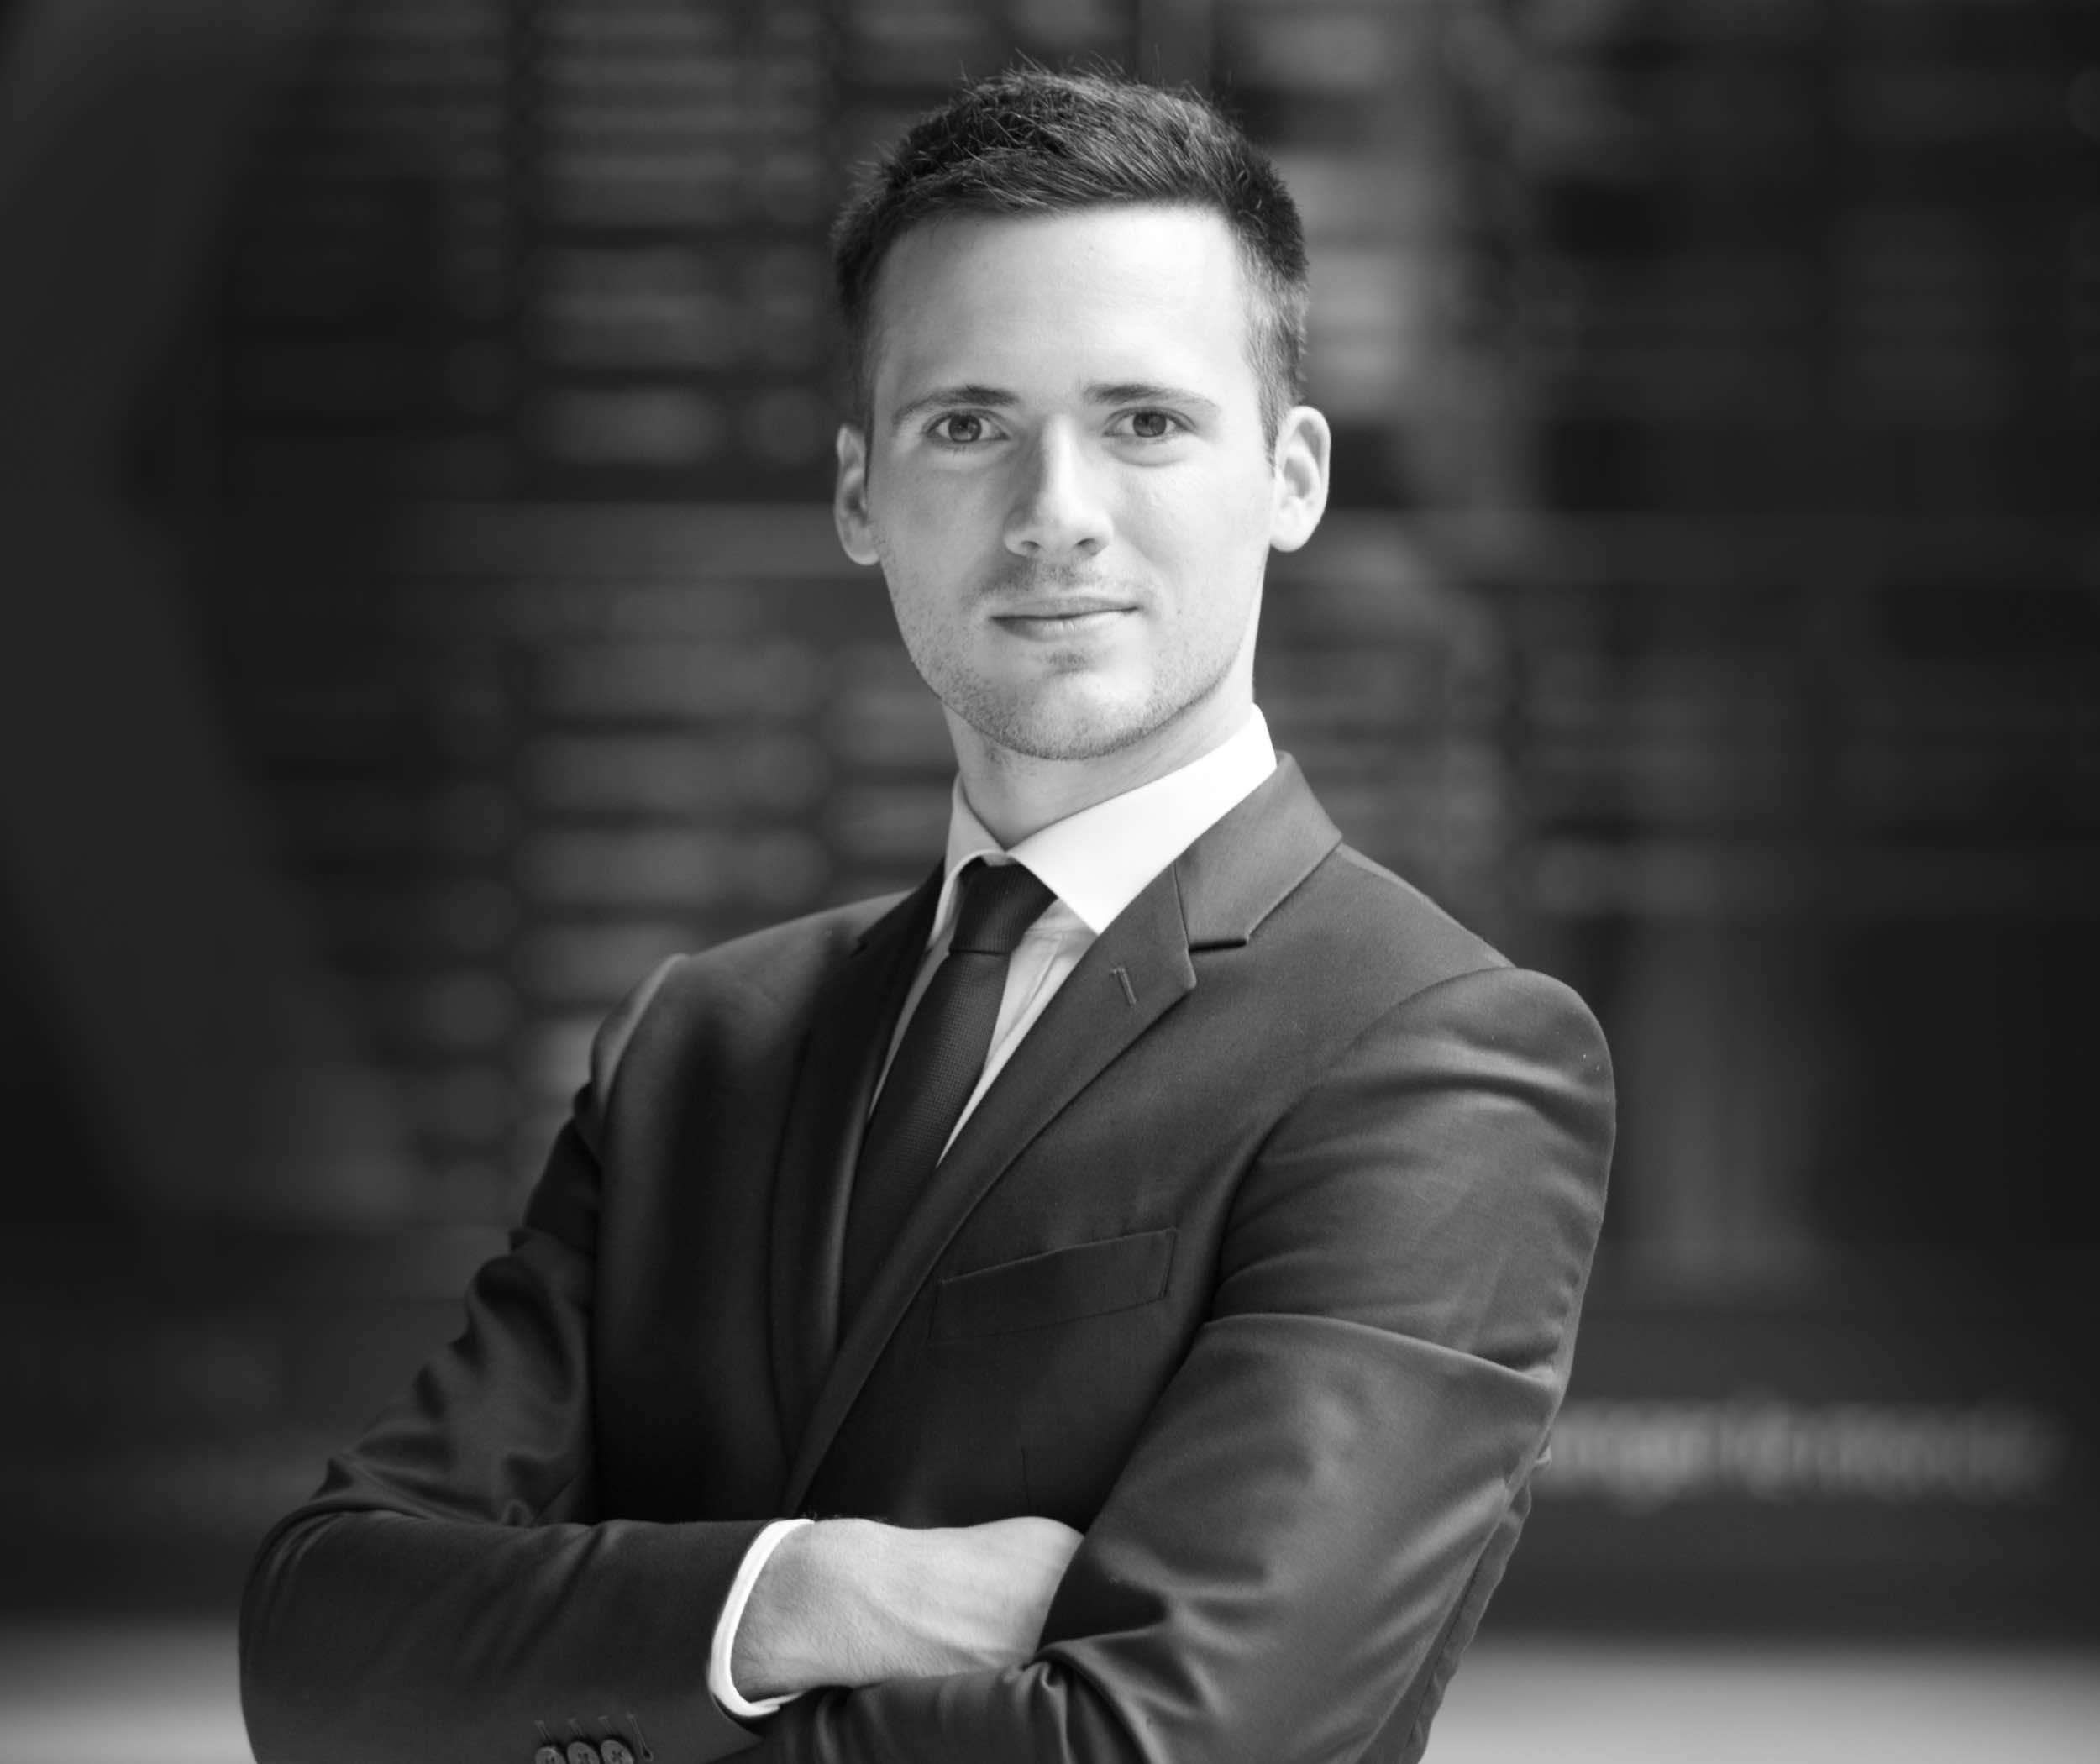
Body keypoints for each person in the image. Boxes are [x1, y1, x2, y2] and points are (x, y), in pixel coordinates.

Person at [239, 68, 1614, 1764]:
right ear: (857, 494)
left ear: (1292, 475)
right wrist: (808, 1593)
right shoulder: (699, 1045)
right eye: (966, 425)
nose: (1055, 513)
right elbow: (319, 1651)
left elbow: (1166, 1746)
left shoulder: (1437, 1057)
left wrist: (577, 1685)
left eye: (1145, 421)